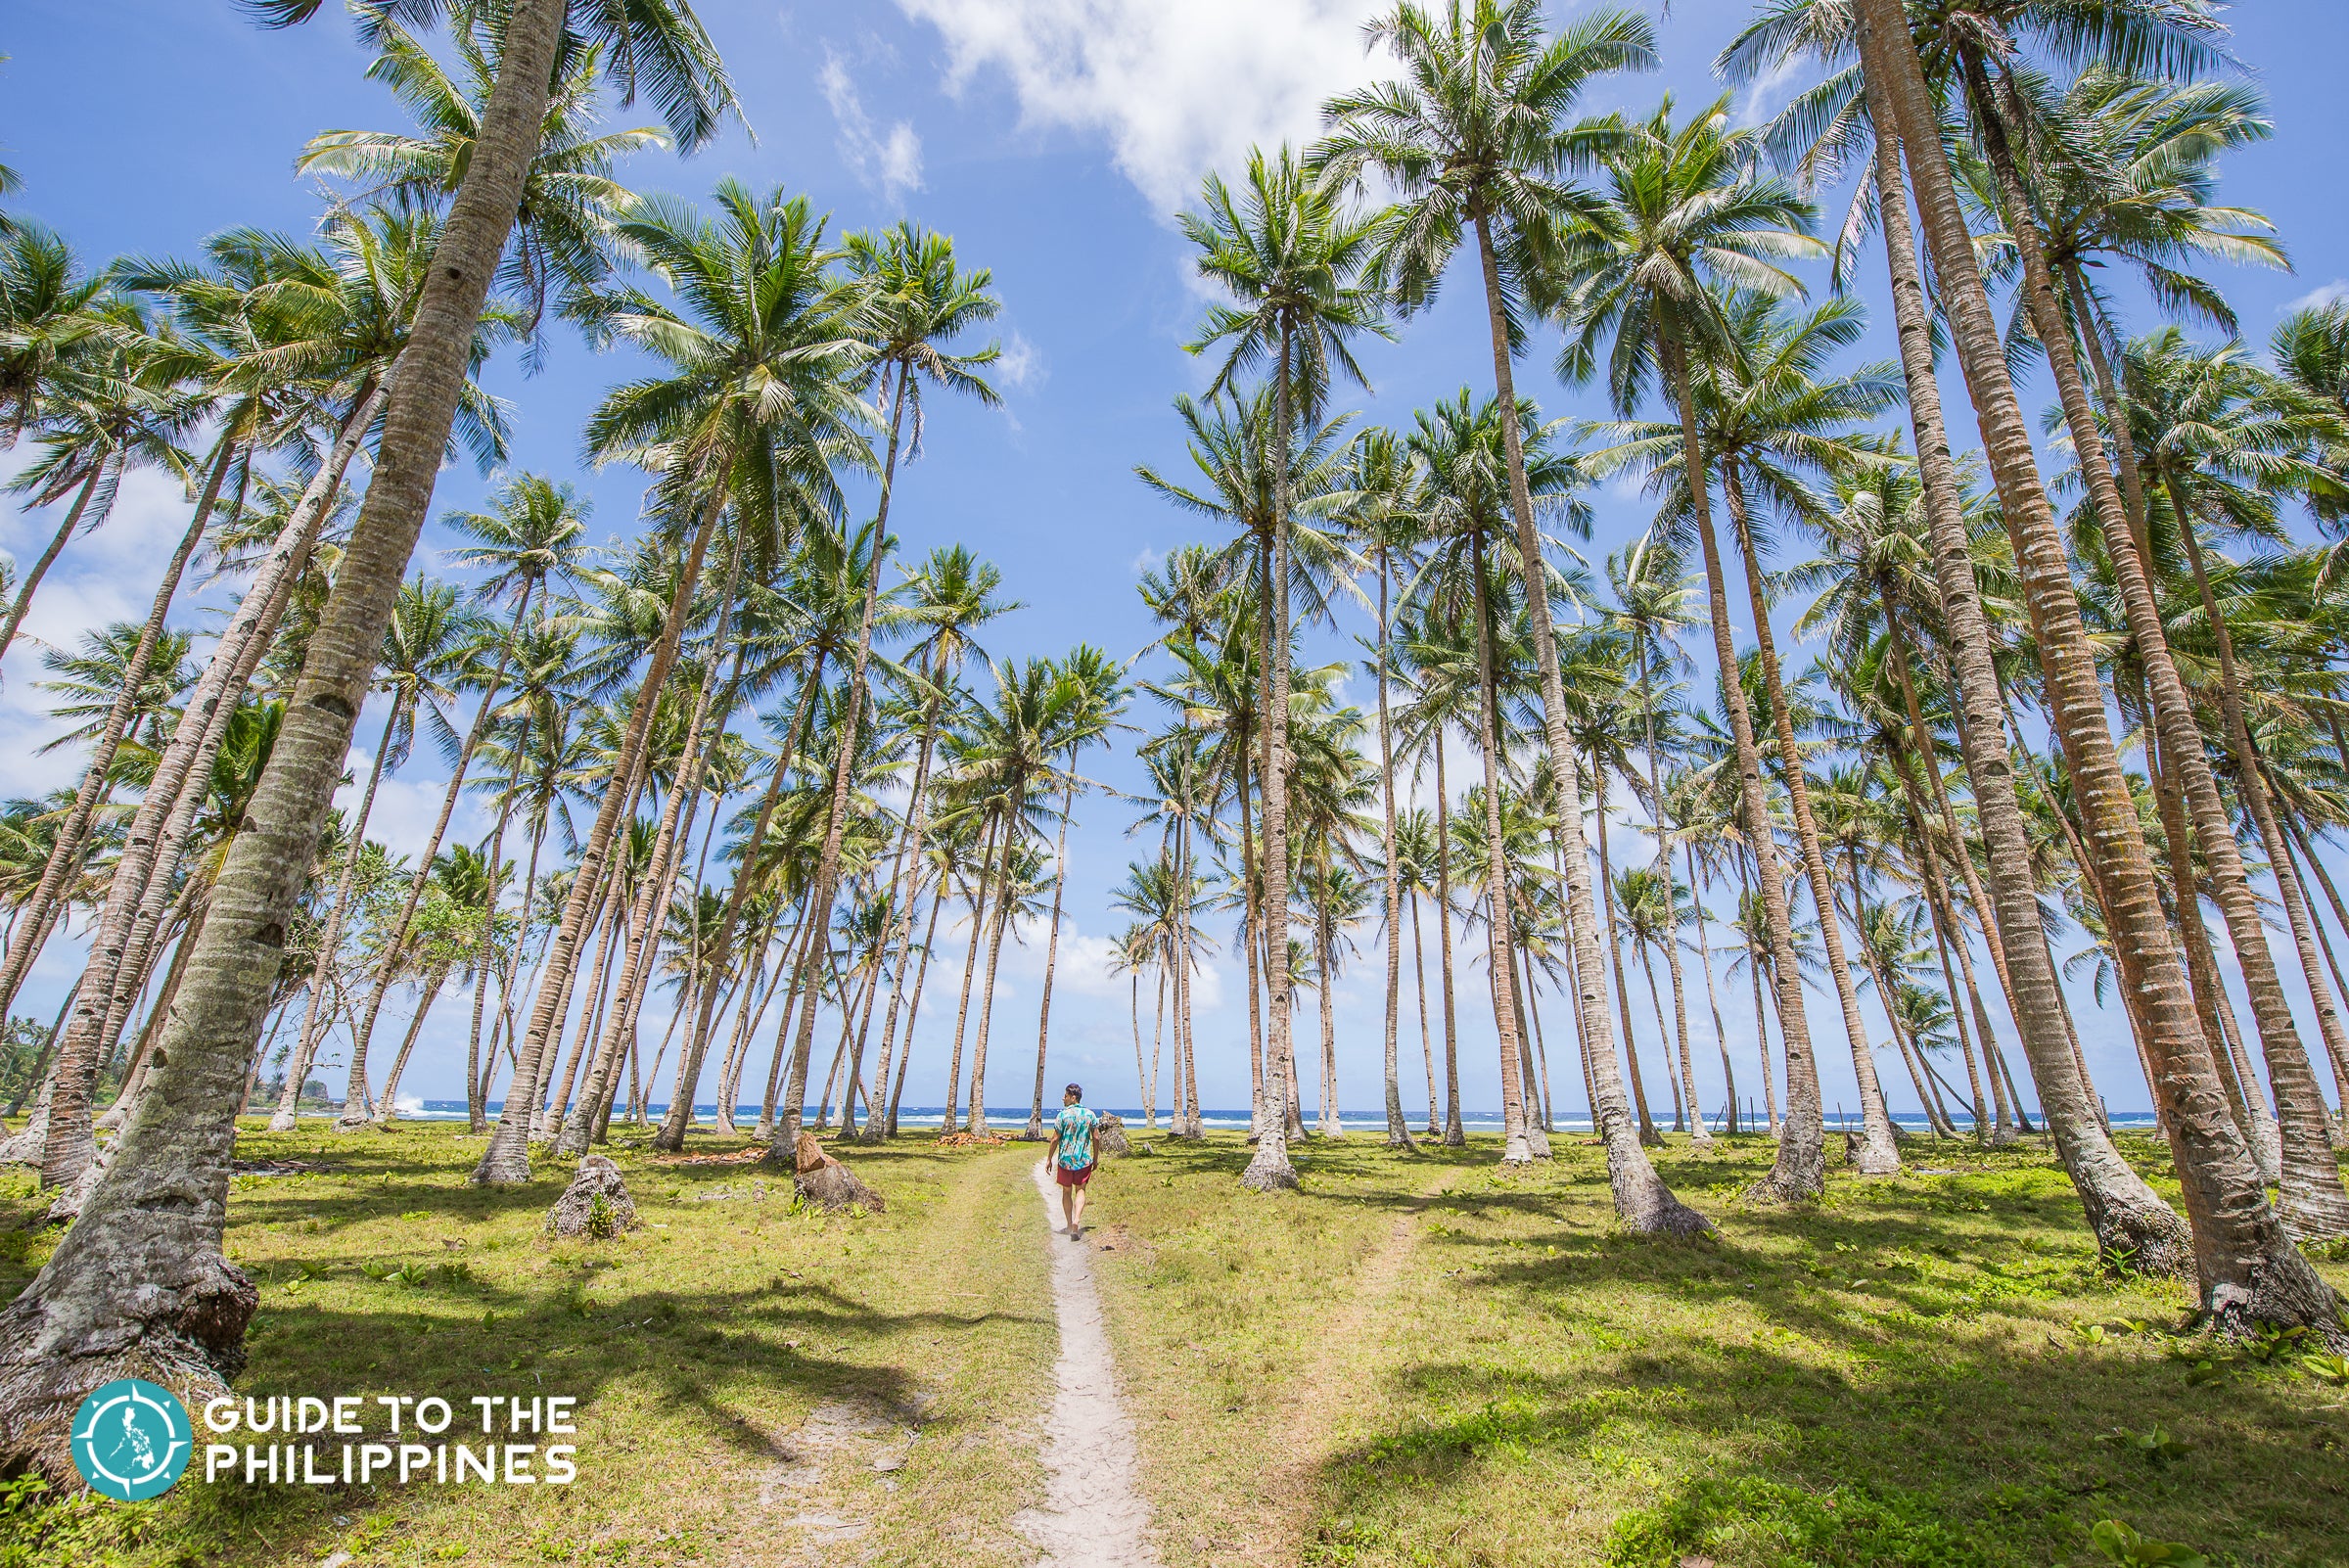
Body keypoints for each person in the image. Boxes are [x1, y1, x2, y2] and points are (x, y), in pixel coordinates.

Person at [1046, 1082, 1101, 1237]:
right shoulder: (1090, 1114)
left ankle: (1070, 1225)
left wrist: (1050, 1159)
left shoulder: (1062, 1115)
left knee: (1066, 1192)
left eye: (1065, 1096)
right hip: (1084, 1160)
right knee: (1081, 1190)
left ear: (1073, 1097)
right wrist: (1095, 1158)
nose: (1063, 1099)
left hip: (1065, 1160)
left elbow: (1055, 1139)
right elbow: (1096, 1138)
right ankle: (1076, 1221)